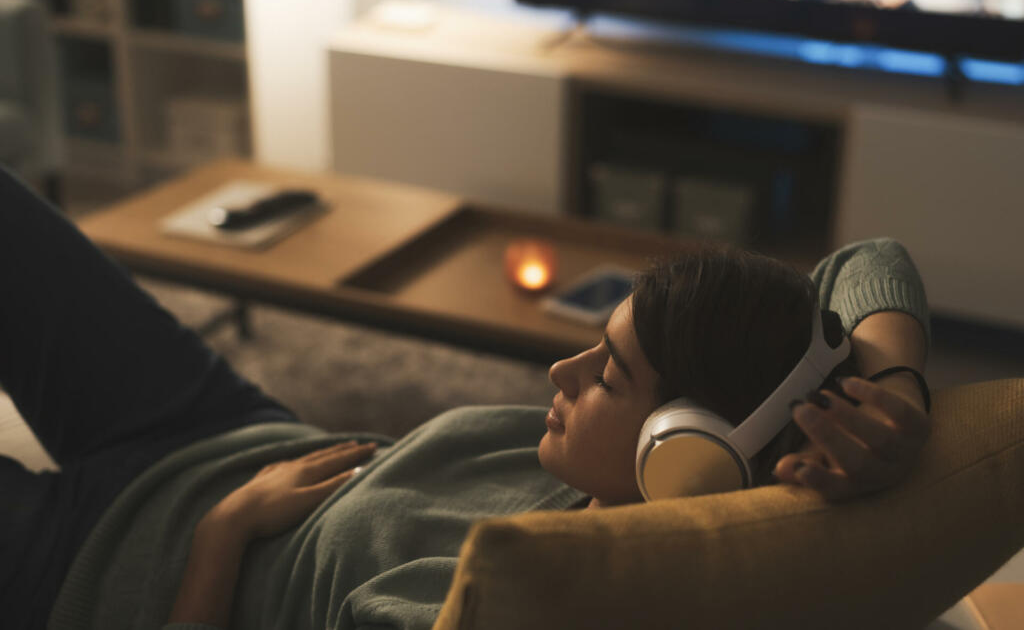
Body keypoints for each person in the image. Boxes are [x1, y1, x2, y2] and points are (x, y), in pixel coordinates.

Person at [0, 166, 930, 630]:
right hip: (221, 426)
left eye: (608, 375)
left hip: (90, 563)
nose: (560, 377)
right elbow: (868, 260)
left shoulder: (498, 600)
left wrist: (224, 534)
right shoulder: (607, 476)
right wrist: (897, 392)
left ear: (682, 448)